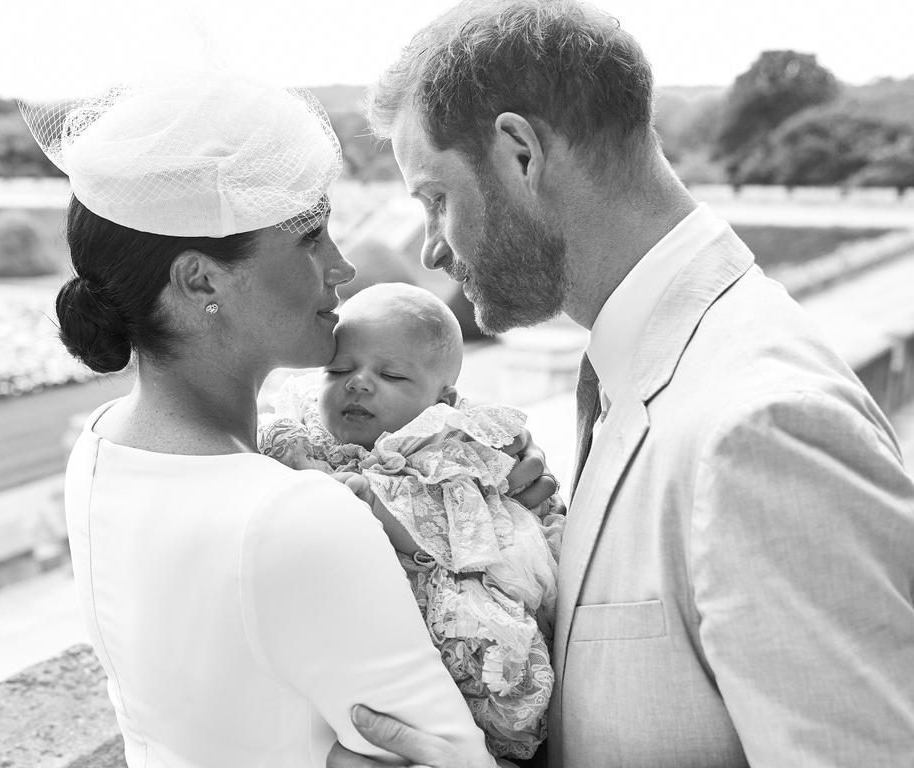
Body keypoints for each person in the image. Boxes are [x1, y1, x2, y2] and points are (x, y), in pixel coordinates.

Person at [327, 2, 914, 767]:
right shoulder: (642, 365)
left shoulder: (762, 428)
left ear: (520, 155)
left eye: (436, 199)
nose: (431, 250)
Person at [20, 72, 556, 768]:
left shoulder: (98, 449)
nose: (341, 266)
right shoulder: (300, 513)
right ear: (200, 279)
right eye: (310, 238)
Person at [259, 282, 565, 759]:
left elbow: (444, 528)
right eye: (338, 369)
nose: (358, 382)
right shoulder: (305, 430)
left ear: (442, 399)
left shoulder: (442, 448)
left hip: (444, 598)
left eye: (393, 376)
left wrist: (366, 501)